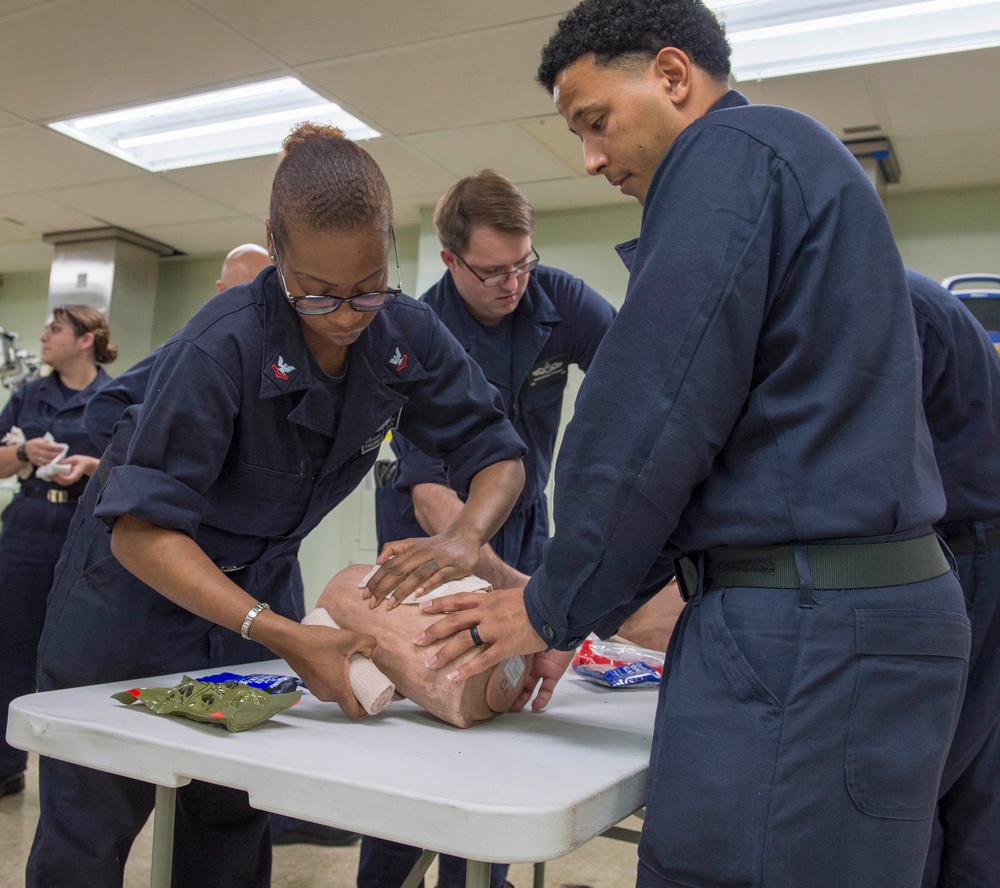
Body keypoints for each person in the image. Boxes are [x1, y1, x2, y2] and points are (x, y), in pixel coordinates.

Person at [408, 3, 972, 887]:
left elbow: (649, 414)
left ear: (673, 77)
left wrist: (554, 603)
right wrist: (587, 603)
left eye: (595, 121)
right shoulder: (805, 172)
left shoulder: (729, 155)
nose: (590, 157)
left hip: (805, 632)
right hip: (876, 623)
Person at [25, 122, 526, 888]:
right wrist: (280, 633)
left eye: (366, 287)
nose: (345, 314)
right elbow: (139, 531)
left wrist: (465, 538)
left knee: (232, 814)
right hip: (132, 604)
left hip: (260, 586)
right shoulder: (221, 346)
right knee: (92, 827)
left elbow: (497, 451)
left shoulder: (402, 330)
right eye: (316, 292)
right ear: (275, 248)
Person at [366, 171, 616, 888]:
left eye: (522, 264)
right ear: (449, 260)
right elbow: (432, 495)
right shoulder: (416, 327)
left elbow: (638, 383)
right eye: (492, 271)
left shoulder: (556, 298)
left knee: (502, 714)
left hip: (523, 522)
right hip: (431, 533)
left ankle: (481, 880)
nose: (512, 283)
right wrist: (526, 596)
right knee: (423, 717)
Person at [906, 269, 1000, 888]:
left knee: (917, 782)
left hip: (957, 556)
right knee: (975, 781)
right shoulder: (920, 298)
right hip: (976, 545)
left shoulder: (890, 303)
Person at [0, 305, 116, 800]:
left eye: (54, 329)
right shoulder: (29, 394)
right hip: (27, 527)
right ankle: (6, 766)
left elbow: (129, 468)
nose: (44, 336)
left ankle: (76, 778)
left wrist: (91, 467)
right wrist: (26, 454)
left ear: (85, 339)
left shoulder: (114, 398)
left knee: (80, 655)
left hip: (85, 530)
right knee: (10, 649)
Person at [84, 243, 273, 452]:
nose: (253, 310)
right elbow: (105, 406)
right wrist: (142, 468)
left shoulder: (279, 354)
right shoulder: (198, 347)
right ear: (220, 291)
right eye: (243, 296)